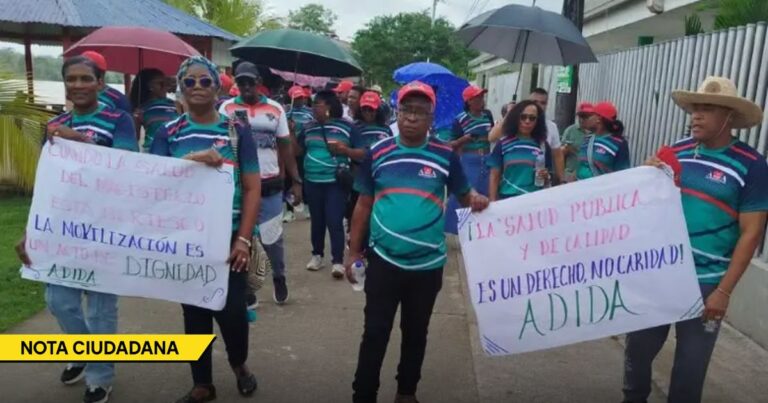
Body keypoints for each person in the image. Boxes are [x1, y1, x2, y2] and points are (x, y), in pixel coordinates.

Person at [624, 76, 768, 403]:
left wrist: (724, 291)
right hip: (659, 273)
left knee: (691, 366)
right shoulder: (674, 151)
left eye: (707, 109)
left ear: (729, 117)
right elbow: (642, 206)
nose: (696, 116)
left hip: (706, 283)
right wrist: (646, 176)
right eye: (695, 109)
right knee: (637, 351)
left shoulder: (752, 165)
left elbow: (752, 233)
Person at [346, 81, 489, 403]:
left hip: (427, 265)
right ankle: (363, 394)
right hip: (383, 260)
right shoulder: (378, 152)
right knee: (375, 332)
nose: (411, 117)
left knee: (415, 333)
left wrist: (477, 198)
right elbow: (363, 204)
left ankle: (406, 392)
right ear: (397, 112)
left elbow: (465, 194)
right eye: (405, 110)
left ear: (431, 117)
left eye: (419, 112)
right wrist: (353, 251)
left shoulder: (445, 155)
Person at [15, 54, 138, 403]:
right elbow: (47, 183)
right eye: (73, 79)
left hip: (107, 227)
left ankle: (100, 377)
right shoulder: (54, 125)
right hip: (63, 229)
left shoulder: (119, 120)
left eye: (87, 79)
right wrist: (31, 231)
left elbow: (126, 167)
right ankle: (84, 351)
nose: (79, 85)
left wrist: (80, 141)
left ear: (101, 83)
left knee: (101, 308)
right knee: (58, 300)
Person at [149, 56, 261, 403]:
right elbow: (151, 180)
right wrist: (193, 159)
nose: (197, 87)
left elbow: (252, 185)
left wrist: (243, 239)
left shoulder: (236, 130)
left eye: (204, 81)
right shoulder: (167, 133)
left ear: (217, 87)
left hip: (228, 238)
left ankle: (239, 364)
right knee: (194, 311)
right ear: (179, 88)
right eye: (189, 82)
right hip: (185, 239)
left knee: (232, 313)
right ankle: (202, 383)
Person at [219, 61, 301, 306]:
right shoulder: (227, 108)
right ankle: (247, 288)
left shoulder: (276, 110)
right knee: (242, 237)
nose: (245, 86)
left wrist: (296, 181)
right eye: (240, 82)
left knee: (272, 238)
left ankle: (279, 276)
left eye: (249, 81)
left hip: (270, 184)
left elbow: (286, 148)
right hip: (238, 187)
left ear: (258, 83)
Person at [296, 90, 360, 278]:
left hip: (335, 182)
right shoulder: (308, 127)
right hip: (312, 181)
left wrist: (344, 149)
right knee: (317, 220)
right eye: (314, 104)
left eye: (318, 103)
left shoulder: (346, 127)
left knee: (334, 220)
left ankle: (338, 261)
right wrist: (291, 131)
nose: (314, 107)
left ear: (329, 107)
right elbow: (297, 151)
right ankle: (317, 255)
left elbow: (364, 152)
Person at [444, 85, 494, 234]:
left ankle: (483, 230)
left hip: (487, 158)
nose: (481, 100)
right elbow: (451, 144)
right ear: (469, 101)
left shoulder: (487, 115)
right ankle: (457, 229)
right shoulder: (460, 120)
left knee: (485, 194)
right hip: (469, 158)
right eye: (477, 97)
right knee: (465, 193)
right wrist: (464, 139)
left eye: (482, 97)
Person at [487, 100, 552, 200]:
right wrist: (492, 202)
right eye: (523, 117)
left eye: (532, 118)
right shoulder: (503, 144)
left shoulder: (543, 145)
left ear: (537, 121)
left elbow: (549, 177)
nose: (527, 121)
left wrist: (546, 177)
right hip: (507, 199)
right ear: (516, 118)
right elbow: (494, 175)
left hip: (535, 201)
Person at [575, 101, 630, 180]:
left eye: (587, 117)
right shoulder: (586, 139)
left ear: (598, 119)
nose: (582, 120)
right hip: (580, 189)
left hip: (602, 191)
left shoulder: (619, 143)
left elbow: (622, 174)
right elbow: (580, 166)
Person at [129, 68, 178, 152]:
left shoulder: (176, 105)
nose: (165, 87)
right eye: (161, 84)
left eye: (166, 83)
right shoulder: (141, 110)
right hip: (152, 152)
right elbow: (133, 139)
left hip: (175, 149)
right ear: (150, 86)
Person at [561, 102, 595, 182]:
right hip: (569, 175)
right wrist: (565, 149)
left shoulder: (596, 132)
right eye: (580, 116)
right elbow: (560, 154)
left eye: (586, 116)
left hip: (589, 177)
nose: (582, 119)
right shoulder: (570, 130)